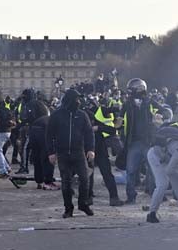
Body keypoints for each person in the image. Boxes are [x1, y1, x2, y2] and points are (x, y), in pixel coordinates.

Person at [47, 88, 95, 218]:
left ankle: (83, 203)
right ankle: (68, 208)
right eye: (76, 99)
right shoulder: (56, 115)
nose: (78, 102)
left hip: (78, 151)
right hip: (63, 153)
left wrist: (90, 149)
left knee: (85, 179)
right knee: (66, 182)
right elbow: (49, 134)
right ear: (70, 100)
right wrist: (51, 152)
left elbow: (89, 133)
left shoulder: (82, 115)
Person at [146, 120, 178, 223]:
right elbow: (169, 171)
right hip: (156, 155)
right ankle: (151, 214)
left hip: (168, 156)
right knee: (162, 184)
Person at [120, 78, 159, 204]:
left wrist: (160, 117)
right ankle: (131, 196)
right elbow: (119, 118)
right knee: (130, 170)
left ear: (140, 89)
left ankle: (155, 194)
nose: (130, 92)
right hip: (134, 142)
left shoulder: (150, 102)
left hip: (148, 141)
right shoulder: (127, 104)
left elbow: (164, 111)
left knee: (152, 170)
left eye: (132, 89)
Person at [91, 99, 124, 206]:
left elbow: (112, 130)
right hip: (93, 148)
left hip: (97, 148)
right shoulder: (88, 115)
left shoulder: (94, 115)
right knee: (89, 174)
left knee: (102, 173)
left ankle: (113, 198)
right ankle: (88, 197)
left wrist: (98, 128)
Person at [0, 98, 15, 178]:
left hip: (1, 131)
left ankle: (2, 171)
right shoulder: (7, 110)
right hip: (8, 131)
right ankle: (7, 168)